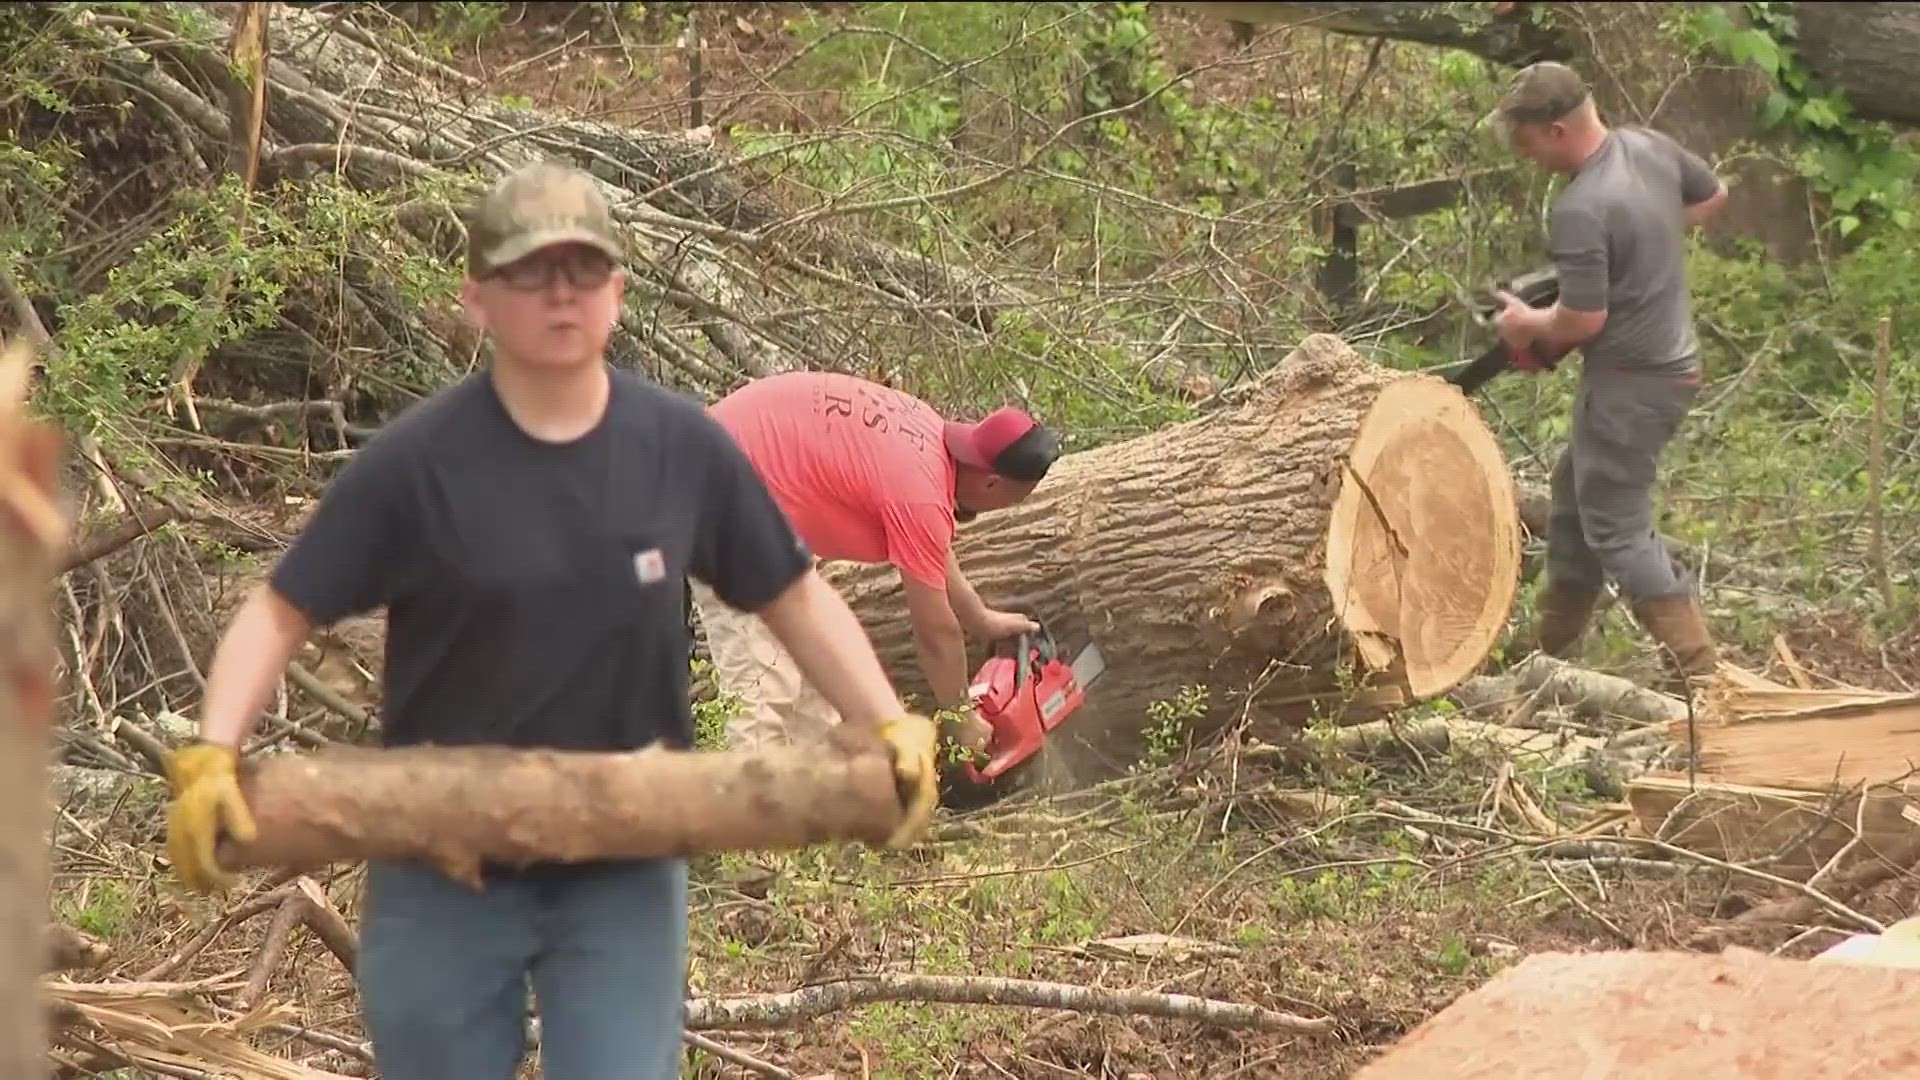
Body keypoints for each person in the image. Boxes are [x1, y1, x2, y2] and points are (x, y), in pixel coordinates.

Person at [159, 161, 940, 1080]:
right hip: (438, 866)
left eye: (583, 269)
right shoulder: (417, 464)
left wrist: (886, 723)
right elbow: (279, 612)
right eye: (531, 273)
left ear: (617, 290)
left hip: (624, 867)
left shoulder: (681, 450)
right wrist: (215, 749)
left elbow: (795, 597)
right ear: (478, 296)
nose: (560, 294)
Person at [1485, 61, 1729, 689]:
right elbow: (1712, 195)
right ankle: (1550, 650)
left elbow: (1582, 321)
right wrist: (1650, 245)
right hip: (1666, 368)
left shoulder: (1582, 205)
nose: (1526, 154)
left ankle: (1698, 669)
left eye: (1528, 140)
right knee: (1574, 498)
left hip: (1631, 382)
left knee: (1616, 527)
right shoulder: (1647, 146)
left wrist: (1525, 325)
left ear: (1559, 129)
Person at [699, 370, 1061, 753]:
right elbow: (936, 634)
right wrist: (961, 718)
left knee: (813, 682)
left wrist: (978, 616)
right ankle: (747, 807)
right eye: (1012, 500)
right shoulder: (920, 495)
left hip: (749, 488)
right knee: (761, 686)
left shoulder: (926, 435)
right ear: (992, 484)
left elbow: (928, 546)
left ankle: (819, 802)